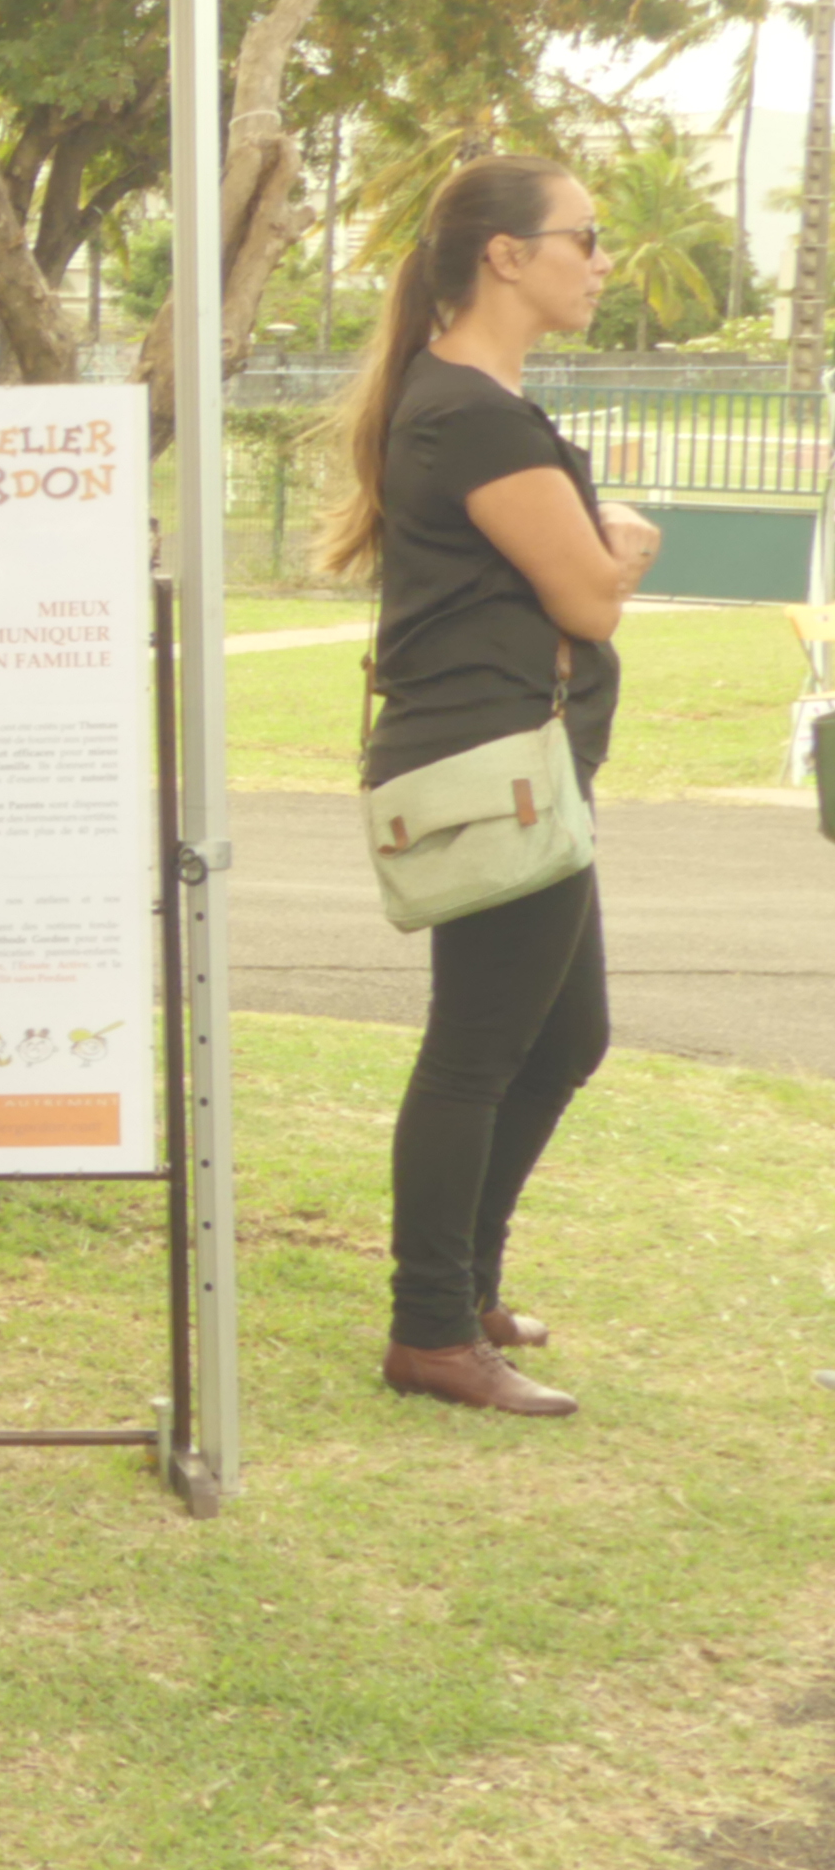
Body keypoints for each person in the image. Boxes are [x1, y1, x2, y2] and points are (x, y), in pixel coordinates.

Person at [315, 153, 653, 1417]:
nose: (600, 258)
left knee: (565, 1036)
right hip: (492, 766)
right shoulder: (472, 412)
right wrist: (620, 544)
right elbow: (582, 601)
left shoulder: (466, 400)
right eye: (584, 236)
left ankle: (462, 1295)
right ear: (505, 255)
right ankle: (429, 1331)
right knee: (475, 1049)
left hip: (513, 763)